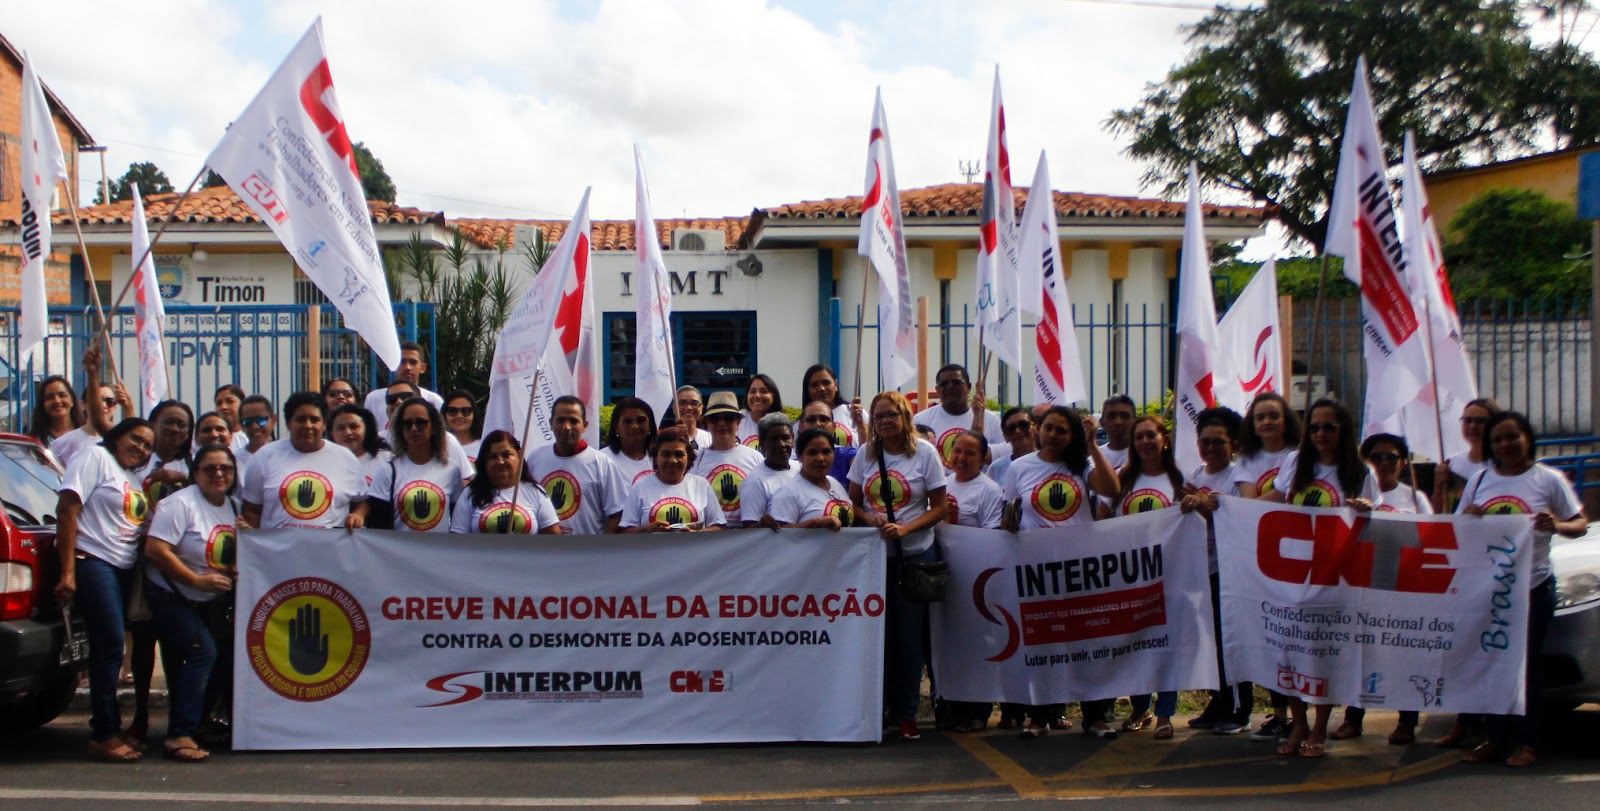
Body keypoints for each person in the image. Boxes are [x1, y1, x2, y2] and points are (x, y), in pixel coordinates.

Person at [1458, 411, 1586, 768]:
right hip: (1489, 591)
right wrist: (1468, 518)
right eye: (1498, 440)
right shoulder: (1480, 480)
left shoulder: (1548, 479)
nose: (1505, 445)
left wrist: (1557, 524)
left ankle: (1526, 741)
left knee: (1525, 666)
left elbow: (1580, 523)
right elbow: (1458, 531)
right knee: (1491, 662)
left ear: (1527, 438)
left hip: (1532, 586)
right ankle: (1496, 738)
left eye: (1512, 437)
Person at [1262, 398, 1377, 759]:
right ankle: (1298, 721)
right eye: (1314, 427)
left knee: (1323, 653)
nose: (1320, 434)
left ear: (1343, 431)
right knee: (1290, 651)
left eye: (1329, 427)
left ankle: (1319, 727)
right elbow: (1275, 500)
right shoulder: (1296, 463)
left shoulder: (1361, 473)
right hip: (1292, 577)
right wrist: (1226, 504)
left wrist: (1366, 511)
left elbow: (1374, 525)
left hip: (1333, 578)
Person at [1002, 405, 1121, 740]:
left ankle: (1095, 715)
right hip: (1037, 571)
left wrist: (1093, 446)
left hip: (1080, 569)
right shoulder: (1019, 467)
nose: (1053, 435)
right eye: (1049, 428)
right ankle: (1040, 716)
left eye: (1062, 431)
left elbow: (1111, 490)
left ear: (1072, 437)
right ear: (1038, 429)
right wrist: (1009, 526)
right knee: (1043, 645)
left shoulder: (1082, 466)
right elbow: (1008, 512)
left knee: (1087, 641)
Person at [52, 418, 156, 762]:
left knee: (112, 649)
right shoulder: (93, 458)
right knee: (110, 645)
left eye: (147, 446)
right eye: (135, 439)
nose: (140, 448)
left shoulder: (129, 476)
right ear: (117, 435)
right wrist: (68, 573)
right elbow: (67, 510)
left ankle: (112, 726)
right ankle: (104, 733)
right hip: (93, 561)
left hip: (122, 569)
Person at [849, 391, 949, 742]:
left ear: (905, 416)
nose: (885, 421)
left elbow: (940, 508)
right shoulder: (866, 454)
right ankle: (876, 710)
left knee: (908, 639)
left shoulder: (925, 453)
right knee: (876, 638)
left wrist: (906, 529)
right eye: (879, 417)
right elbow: (853, 502)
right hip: (875, 559)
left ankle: (906, 713)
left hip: (915, 556)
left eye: (891, 414)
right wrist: (870, 518)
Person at [1327, 433, 1433, 746]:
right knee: (1361, 653)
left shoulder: (1415, 499)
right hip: (1362, 587)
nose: (1383, 463)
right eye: (1376, 457)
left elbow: (1431, 538)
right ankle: (1353, 718)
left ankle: (1406, 722)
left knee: (1404, 655)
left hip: (1403, 590)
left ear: (1403, 464)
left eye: (1391, 457)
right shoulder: (1352, 494)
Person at [142, 443, 240, 763]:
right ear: (195, 473)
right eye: (209, 468)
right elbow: (156, 550)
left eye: (225, 468)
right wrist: (196, 581)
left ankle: (196, 723)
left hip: (212, 601)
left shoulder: (233, 507)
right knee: (203, 652)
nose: (218, 474)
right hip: (172, 595)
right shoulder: (179, 504)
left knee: (224, 659)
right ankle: (178, 734)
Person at [1105, 416, 1184, 740]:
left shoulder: (1180, 477)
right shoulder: (1123, 477)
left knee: (1167, 646)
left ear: (1164, 439)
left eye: (1151, 435)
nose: (1145, 441)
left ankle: (1165, 713)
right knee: (1135, 645)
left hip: (1169, 575)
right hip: (1130, 577)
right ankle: (1140, 706)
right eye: (1139, 436)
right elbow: (1104, 518)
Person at [1179, 407, 1253, 736]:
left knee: (1230, 640)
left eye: (1218, 442)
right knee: (1208, 642)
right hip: (1200, 570)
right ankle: (1218, 700)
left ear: (1232, 444)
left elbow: (1242, 520)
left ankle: (1239, 708)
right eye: (1205, 441)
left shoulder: (1238, 477)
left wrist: (1213, 510)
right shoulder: (1195, 475)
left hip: (1228, 572)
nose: (1211, 448)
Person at [1235, 390, 1302, 744]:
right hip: (1265, 559)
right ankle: (1280, 715)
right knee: (1275, 640)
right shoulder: (1247, 460)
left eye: (1273, 415)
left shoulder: (1301, 456)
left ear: (1285, 419)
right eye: (1260, 417)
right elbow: (1249, 507)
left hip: (1303, 557)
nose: (1266, 422)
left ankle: (1304, 717)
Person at [941, 430, 1007, 733]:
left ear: (982, 459)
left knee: (977, 644)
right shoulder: (942, 484)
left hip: (975, 579)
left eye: (970, 453)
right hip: (943, 577)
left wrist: (955, 524)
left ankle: (978, 709)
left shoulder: (990, 490)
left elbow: (992, 535)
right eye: (957, 451)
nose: (961, 458)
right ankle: (949, 704)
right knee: (947, 644)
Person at [239, 392, 364, 530]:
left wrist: (358, 515)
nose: (308, 426)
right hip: (277, 550)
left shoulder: (346, 459)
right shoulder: (264, 457)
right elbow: (251, 510)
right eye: (301, 419)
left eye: (314, 420)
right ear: (288, 424)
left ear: (324, 425)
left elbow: (362, 501)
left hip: (330, 550)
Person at [357, 398, 464, 533]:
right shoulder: (387, 470)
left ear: (434, 427)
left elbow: (457, 519)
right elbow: (379, 526)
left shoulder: (451, 469)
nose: (414, 428)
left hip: (439, 551)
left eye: (421, 422)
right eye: (407, 423)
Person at [527, 396, 627, 534]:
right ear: (551, 423)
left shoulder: (601, 463)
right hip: (545, 550)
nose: (566, 427)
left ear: (584, 425)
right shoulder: (535, 459)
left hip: (587, 551)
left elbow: (616, 514)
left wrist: (603, 549)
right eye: (560, 420)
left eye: (573, 421)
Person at [450, 430, 561, 535]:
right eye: (493, 457)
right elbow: (457, 540)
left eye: (506, 455)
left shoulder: (535, 491)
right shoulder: (470, 493)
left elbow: (553, 537)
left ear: (519, 456)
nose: (500, 461)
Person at [621, 427, 727, 532]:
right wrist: (648, 530)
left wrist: (696, 534)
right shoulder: (640, 486)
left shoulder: (701, 485)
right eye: (666, 454)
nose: (672, 460)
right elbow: (625, 531)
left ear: (688, 458)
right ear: (656, 457)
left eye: (679, 454)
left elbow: (718, 526)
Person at [691, 392, 764, 525]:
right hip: (709, 537)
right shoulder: (695, 460)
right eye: (715, 419)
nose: (722, 424)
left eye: (728, 418)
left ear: (738, 422)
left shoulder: (755, 458)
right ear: (707, 423)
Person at [915, 364, 1004, 468]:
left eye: (956, 383)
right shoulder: (921, 420)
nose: (950, 387)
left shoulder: (991, 420)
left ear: (969, 387)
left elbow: (1001, 460)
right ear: (937, 390)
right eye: (944, 384)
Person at [770, 427, 854, 530]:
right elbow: (778, 536)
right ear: (799, 455)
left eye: (826, 452)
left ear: (834, 453)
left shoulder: (835, 484)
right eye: (812, 453)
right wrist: (817, 522)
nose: (820, 458)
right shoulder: (788, 492)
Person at [1432, 398, 1502, 514]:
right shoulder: (1452, 462)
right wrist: (1438, 485)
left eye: (1480, 421)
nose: (1472, 426)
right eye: (1467, 420)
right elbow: (1437, 511)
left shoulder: (1501, 465)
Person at [362, 341, 445, 433]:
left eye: (413, 362)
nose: (407, 367)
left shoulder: (434, 401)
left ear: (422, 368)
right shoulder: (374, 399)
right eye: (402, 362)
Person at [740, 413, 799, 528]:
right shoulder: (754, 482)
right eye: (774, 439)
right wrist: (761, 525)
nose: (781, 444)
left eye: (785, 437)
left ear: (792, 439)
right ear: (762, 443)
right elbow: (748, 530)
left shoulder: (801, 469)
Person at [800, 363, 865, 446]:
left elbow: (869, 449)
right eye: (814, 385)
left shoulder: (853, 412)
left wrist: (860, 426)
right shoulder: (800, 424)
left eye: (826, 383)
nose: (821, 388)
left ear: (836, 385)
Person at [330, 404, 390, 491]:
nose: (348, 432)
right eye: (340, 428)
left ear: (367, 429)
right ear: (331, 432)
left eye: (354, 426)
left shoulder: (386, 459)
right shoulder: (324, 461)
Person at [800, 401, 857, 483]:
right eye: (811, 419)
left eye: (824, 419)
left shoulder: (848, 456)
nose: (818, 424)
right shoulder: (792, 461)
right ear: (801, 427)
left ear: (834, 427)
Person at [604, 397, 657, 484]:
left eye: (641, 420)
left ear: (650, 425)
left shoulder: (661, 457)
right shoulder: (603, 460)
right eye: (627, 421)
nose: (635, 426)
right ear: (616, 428)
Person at [988, 406, 1041, 488]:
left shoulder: (1048, 462)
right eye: (1011, 428)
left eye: (1023, 425)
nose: (1018, 431)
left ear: (1035, 428)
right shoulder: (996, 468)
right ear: (1005, 437)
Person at [736, 374, 784, 448]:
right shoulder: (737, 419)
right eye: (753, 391)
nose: (757, 395)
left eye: (764, 391)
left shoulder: (782, 423)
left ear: (774, 396)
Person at [232, 394, 276, 473]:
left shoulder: (286, 455)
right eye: (248, 422)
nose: (255, 426)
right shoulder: (234, 460)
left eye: (261, 420)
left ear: (273, 420)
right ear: (241, 425)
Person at [1097, 395, 1138, 470]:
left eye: (1125, 416)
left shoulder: (1144, 454)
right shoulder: (1095, 458)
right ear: (1102, 422)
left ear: (1135, 422)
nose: (1118, 422)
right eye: (1111, 416)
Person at [442, 390, 482, 464]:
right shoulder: (437, 447)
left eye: (466, 411)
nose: (459, 416)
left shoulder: (484, 446)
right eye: (452, 411)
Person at [213, 384, 249, 451]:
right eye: (219, 403)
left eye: (230, 401)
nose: (223, 407)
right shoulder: (210, 437)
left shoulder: (250, 439)